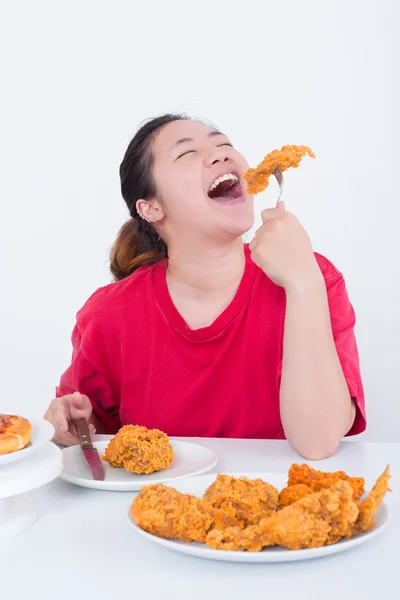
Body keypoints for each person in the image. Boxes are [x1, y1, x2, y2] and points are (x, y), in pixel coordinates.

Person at [44, 113, 366, 460]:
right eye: (187, 153)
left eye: (224, 144)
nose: (221, 154)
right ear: (151, 207)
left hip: (278, 504)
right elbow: (87, 436)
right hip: (156, 508)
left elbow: (317, 443)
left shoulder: (314, 278)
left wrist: (304, 284)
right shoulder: (109, 315)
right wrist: (72, 424)